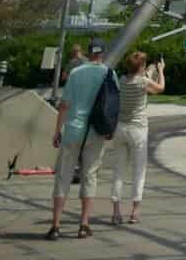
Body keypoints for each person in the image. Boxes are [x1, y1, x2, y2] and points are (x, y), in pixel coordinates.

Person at [46, 40, 113, 240]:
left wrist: (58, 131)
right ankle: (83, 225)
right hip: (96, 131)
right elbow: (113, 105)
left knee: (63, 176)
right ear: (103, 53)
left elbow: (64, 105)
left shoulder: (75, 73)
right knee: (90, 175)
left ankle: (56, 226)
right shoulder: (109, 73)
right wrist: (110, 129)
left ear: (88, 53)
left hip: (73, 129)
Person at [110, 50, 165, 226]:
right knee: (139, 171)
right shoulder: (143, 82)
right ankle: (134, 212)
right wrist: (161, 71)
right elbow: (160, 88)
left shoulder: (122, 81)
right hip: (138, 130)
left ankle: (116, 211)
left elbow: (136, 78)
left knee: (119, 171)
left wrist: (148, 71)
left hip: (120, 127)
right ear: (141, 67)